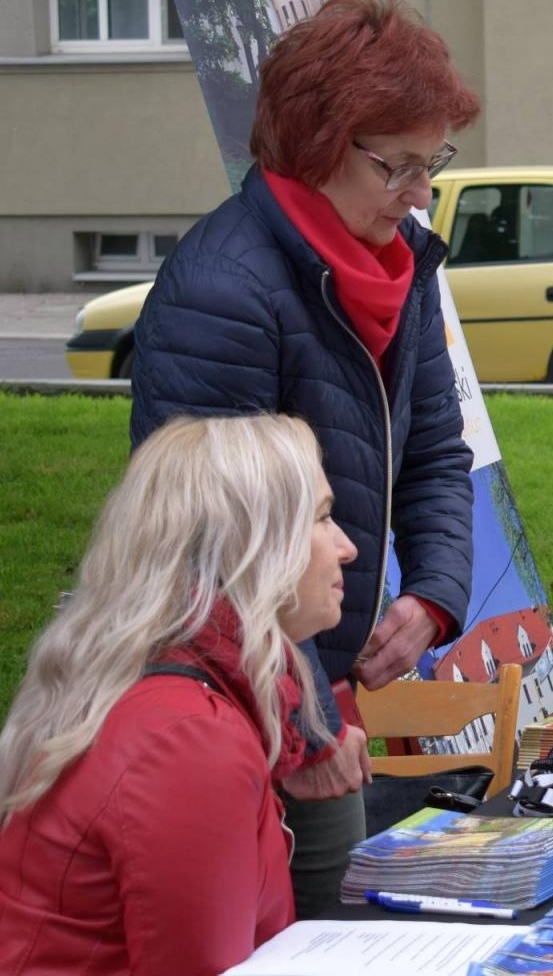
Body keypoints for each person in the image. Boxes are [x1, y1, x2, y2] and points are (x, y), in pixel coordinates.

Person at [129, 0, 478, 916]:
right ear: (319, 145)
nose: (421, 193)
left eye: (433, 163)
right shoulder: (223, 292)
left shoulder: (400, 265)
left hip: (318, 686)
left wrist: (435, 591)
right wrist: (304, 718)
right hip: (248, 699)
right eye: (399, 166)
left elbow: (436, 450)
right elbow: (210, 554)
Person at [0, 415, 358, 975]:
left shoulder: (164, 687)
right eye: (322, 518)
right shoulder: (190, 737)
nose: (347, 548)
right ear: (253, 548)